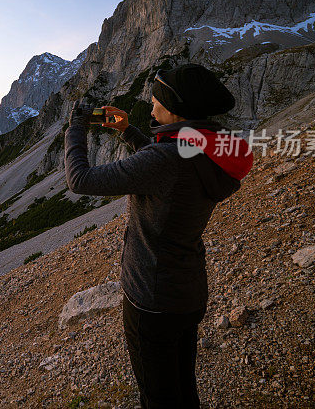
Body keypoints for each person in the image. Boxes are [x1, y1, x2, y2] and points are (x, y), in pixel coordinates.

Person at [64, 63, 254, 408]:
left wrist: (75, 128)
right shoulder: (209, 148)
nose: (151, 108)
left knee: (158, 396)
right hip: (186, 290)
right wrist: (127, 131)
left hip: (151, 299)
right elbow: (163, 163)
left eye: (156, 102)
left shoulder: (167, 159)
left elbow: (80, 180)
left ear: (177, 108)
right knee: (181, 385)